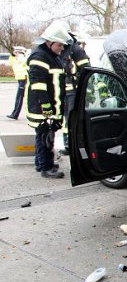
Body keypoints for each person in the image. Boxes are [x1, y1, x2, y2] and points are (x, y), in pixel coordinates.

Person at [26, 20, 72, 178]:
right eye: (59, 45)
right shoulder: (40, 56)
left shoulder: (50, 55)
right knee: (45, 137)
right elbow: (38, 85)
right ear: (49, 42)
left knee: (43, 135)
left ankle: (41, 163)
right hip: (42, 109)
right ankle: (46, 167)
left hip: (49, 107)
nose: (61, 48)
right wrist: (46, 107)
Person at [61, 31, 91, 155]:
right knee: (71, 118)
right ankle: (71, 145)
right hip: (72, 91)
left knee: (68, 119)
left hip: (65, 91)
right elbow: (86, 71)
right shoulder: (77, 50)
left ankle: (68, 144)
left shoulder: (67, 50)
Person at [6, 46, 28, 119]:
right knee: (23, 97)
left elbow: (25, 62)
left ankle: (15, 114)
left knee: (20, 97)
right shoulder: (15, 59)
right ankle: (15, 113)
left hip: (24, 79)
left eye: (16, 51)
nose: (15, 52)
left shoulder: (22, 58)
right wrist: (12, 55)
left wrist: (23, 54)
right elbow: (10, 63)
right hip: (20, 79)